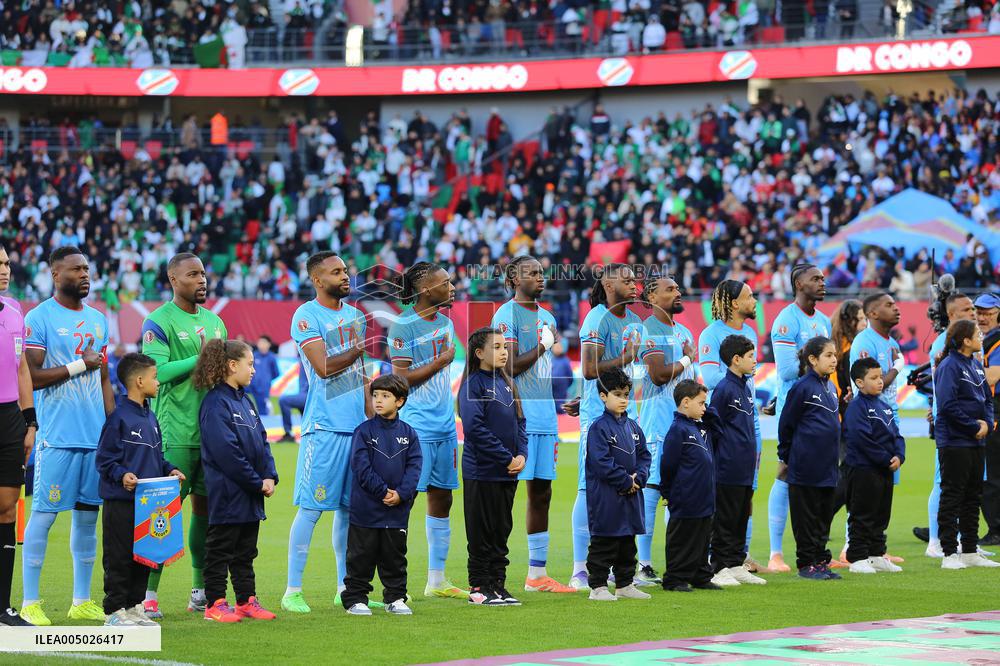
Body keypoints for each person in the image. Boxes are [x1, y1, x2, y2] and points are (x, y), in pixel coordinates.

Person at [21, 246, 114, 626]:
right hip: (55, 436)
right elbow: (32, 376)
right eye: (76, 270)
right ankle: (30, 601)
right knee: (43, 517)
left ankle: (81, 599)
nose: (85, 275)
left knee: (88, 519)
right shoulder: (38, 317)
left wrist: (114, 426)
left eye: (87, 269)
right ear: (55, 275)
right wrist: (78, 365)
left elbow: (104, 377)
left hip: (94, 437)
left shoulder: (98, 320)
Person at [140, 253, 228, 618]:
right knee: (162, 514)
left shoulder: (216, 322)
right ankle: (148, 595)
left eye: (204, 274)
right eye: (193, 274)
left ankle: (199, 590)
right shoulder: (158, 321)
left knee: (205, 514)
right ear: (174, 280)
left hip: (213, 435)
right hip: (175, 434)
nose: (202, 280)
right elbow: (155, 371)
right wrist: (200, 357)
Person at [283, 252, 370, 613]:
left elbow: (362, 372)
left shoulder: (355, 316)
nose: (345, 276)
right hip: (324, 427)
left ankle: (344, 588)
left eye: (345, 270)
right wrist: (358, 348)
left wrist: (372, 418)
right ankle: (292, 590)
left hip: (356, 428)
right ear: (318, 280)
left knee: (350, 512)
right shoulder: (306, 315)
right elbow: (322, 367)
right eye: (336, 272)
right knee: (311, 508)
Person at [490, 256, 573, 593]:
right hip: (516, 421)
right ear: (513, 278)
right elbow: (507, 368)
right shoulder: (505, 315)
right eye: (533, 273)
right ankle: (492, 573)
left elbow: (539, 373)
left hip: (544, 419)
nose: (541, 277)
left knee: (542, 494)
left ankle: (536, 575)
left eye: (542, 272)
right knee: (505, 496)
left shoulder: (548, 317)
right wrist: (542, 344)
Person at [387, 262, 467, 599]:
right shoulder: (402, 327)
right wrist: (438, 363)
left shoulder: (447, 324)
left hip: (445, 426)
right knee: (406, 499)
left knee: (443, 497)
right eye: (445, 283)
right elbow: (399, 379)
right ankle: (396, 582)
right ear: (425, 289)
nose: (452, 287)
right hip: (415, 427)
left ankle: (437, 580)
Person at [95, 353, 185, 626]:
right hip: (122, 502)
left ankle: (134, 606)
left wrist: (169, 469)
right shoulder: (119, 417)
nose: (158, 382)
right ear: (139, 380)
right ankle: (113, 610)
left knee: (145, 555)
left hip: (148, 503)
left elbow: (155, 458)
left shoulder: (150, 416)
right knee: (119, 556)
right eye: (155, 377)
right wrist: (122, 475)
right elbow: (104, 460)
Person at [568, 264, 642, 589]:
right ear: (608, 284)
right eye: (626, 280)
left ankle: (616, 567)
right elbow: (588, 368)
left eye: (635, 279)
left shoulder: (636, 321)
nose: (634, 284)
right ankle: (580, 569)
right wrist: (626, 357)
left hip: (627, 415)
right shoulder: (597, 317)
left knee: (622, 486)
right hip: (598, 418)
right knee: (590, 487)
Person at [194, 339, 279, 622]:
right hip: (229, 492)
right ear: (232, 365)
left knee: (246, 551)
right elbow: (226, 452)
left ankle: (246, 600)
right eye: (250, 364)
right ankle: (214, 603)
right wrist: (256, 481)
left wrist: (269, 475)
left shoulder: (245, 400)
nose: (253, 370)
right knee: (220, 549)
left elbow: (262, 441)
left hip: (251, 492)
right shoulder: (215, 402)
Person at [767, 264, 830, 574]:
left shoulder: (823, 321)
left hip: (820, 408)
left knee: (819, 480)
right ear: (798, 283)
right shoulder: (786, 320)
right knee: (785, 472)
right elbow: (788, 371)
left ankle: (816, 549)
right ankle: (776, 553)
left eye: (822, 278)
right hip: (796, 409)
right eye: (815, 278)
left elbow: (827, 367)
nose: (822, 282)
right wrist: (815, 362)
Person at [342, 374, 422, 616]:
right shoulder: (363, 431)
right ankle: (356, 599)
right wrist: (382, 491)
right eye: (375, 395)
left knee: (395, 557)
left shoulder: (409, 434)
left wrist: (401, 494)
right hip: (366, 510)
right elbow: (360, 467)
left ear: (399, 401)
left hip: (396, 510)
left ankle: (395, 598)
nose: (378, 400)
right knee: (360, 556)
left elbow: (415, 466)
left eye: (385, 396)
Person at [459, 327, 527, 606]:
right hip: (482, 471)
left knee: (501, 530)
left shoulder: (507, 382)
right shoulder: (472, 384)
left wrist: (521, 455)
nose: (503, 352)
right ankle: (479, 586)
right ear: (479, 353)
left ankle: (498, 584)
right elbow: (474, 428)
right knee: (481, 531)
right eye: (496, 347)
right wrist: (505, 457)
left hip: (508, 471)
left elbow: (520, 422)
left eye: (504, 347)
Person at [636, 275, 697, 586]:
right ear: (652, 296)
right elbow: (659, 375)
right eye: (670, 289)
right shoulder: (649, 329)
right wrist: (688, 357)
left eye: (677, 288)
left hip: (684, 427)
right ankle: (642, 565)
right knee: (652, 491)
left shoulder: (682, 330)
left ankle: (678, 561)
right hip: (658, 425)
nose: (678, 292)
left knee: (678, 496)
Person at [698, 279, 762, 569]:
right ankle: (718, 556)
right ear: (735, 303)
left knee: (747, 490)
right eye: (750, 296)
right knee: (725, 492)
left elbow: (751, 377)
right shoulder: (711, 334)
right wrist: (735, 375)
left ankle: (740, 554)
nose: (755, 301)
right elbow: (711, 379)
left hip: (749, 417)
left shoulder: (749, 331)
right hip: (726, 415)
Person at [933, 319, 1000, 570]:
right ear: (965, 340)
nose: (981, 337)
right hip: (954, 441)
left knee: (974, 495)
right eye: (977, 334)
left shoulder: (974, 364)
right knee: (953, 495)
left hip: (976, 442)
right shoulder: (949, 365)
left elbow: (987, 399)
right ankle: (949, 552)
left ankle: (970, 550)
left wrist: (988, 424)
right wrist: (975, 426)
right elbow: (947, 405)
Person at [846, 292, 905, 565]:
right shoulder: (864, 342)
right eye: (889, 305)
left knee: (882, 505)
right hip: (870, 445)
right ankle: (855, 551)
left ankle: (876, 552)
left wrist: (898, 455)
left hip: (887, 421)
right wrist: (894, 368)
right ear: (872, 313)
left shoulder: (891, 341)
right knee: (863, 504)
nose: (896, 309)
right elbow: (865, 376)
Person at [915, 292, 975, 557]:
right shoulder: (943, 342)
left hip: (967, 420)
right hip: (952, 422)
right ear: (951, 315)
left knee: (964, 483)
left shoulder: (969, 343)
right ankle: (936, 541)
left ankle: (963, 540)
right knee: (944, 482)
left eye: (972, 308)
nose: (972, 313)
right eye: (966, 310)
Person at [777, 336, 841, 581]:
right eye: (828, 355)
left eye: (835, 355)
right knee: (807, 516)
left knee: (824, 515)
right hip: (805, 465)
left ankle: (820, 560)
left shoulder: (831, 388)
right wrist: (787, 456)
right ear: (812, 359)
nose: (834, 360)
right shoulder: (802, 387)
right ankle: (806, 563)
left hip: (828, 466)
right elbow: (787, 424)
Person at [585, 368, 651, 601]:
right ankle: (598, 587)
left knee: (627, 541)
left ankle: (624, 583)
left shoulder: (633, 426)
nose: (623, 399)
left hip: (631, 495)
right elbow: (601, 462)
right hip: (606, 497)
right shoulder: (598, 428)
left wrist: (639, 478)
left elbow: (645, 455)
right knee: (604, 540)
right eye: (617, 394)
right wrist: (625, 480)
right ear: (603, 396)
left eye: (626, 394)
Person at [709, 335, 767, 586]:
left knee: (741, 516)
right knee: (725, 517)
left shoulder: (745, 387)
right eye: (751, 356)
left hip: (745, 467)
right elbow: (713, 427)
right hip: (727, 467)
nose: (755, 361)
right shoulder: (724, 389)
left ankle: (735, 563)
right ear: (736, 359)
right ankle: (720, 566)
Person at [0, 244, 36, 626]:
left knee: (8, 510)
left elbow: (22, 368)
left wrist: (30, 422)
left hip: (10, 418)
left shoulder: (14, 311)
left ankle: (3, 607)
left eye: (7, 263)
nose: (4, 270)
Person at [842, 357, 904, 575]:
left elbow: (896, 435)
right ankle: (857, 556)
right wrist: (886, 459)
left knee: (881, 514)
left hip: (884, 470)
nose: (880, 382)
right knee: (862, 513)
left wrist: (899, 455)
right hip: (864, 470)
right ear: (859, 383)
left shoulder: (884, 407)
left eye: (880, 377)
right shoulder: (857, 407)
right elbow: (861, 439)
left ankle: (876, 554)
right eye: (874, 378)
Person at [660, 380, 717, 592]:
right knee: (682, 537)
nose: (705, 408)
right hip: (685, 496)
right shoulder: (678, 430)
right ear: (685, 402)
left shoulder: (699, 427)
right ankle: (674, 578)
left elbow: (718, 427)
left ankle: (700, 575)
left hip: (704, 496)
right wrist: (669, 492)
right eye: (701, 403)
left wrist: (707, 413)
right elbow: (668, 465)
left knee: (702, 537)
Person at [974, 293, 1000, 546]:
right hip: (989, 410)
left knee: (991, 474)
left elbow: (992, 376)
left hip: (995, 413)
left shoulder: (996, 341)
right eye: (979, 312)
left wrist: (963, 368)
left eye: (988, 312)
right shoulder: (985, 340)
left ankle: (996, 529)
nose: (982, 317)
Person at [247, 336, 279, 416]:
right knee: (250, 407)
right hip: (253, 386)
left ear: (269, 344)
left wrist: (267, 380)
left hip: (264, 388)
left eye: (264, 343)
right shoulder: (254, 356)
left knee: (263, 409)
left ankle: (266, 423)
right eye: (260, 343)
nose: (262, 345)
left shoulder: (271, 357)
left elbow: (276, 373)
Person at [278, 363, 308, 443]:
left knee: (284, 400)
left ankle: (288, 433)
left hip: (309, 395)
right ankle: (306, 433)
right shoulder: (304, 358)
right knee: (305, 414)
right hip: (305, 394)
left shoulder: (309, 355)